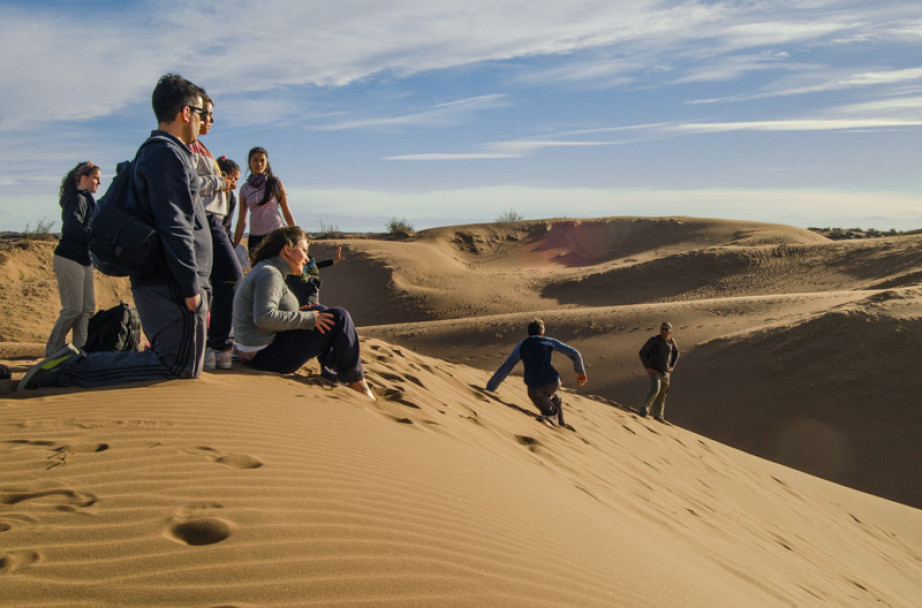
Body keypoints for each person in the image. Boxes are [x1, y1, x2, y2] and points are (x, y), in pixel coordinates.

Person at [19, 74, 212, 390]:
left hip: (170, 278)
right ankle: (67, 369)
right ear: (186, 112)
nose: (205, 121)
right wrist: (191, 286)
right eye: (202, 113)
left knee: (184, 366)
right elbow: (175, 224)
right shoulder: (165, 153)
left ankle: (69, 367)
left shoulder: (163, 153)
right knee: (177, 366)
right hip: (170, 280)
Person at [232, 226, 374, 400]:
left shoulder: (268, 269)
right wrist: (306, 319)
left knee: (322, 312)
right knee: (339, 317)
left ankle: (332, 371)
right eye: (304, 251)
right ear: (287, 250)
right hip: (264, 357)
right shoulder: (269, 274)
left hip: (260, 352)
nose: (307, 259)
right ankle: (355, 381)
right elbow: (263, 317)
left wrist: (301, 313)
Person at [188, 93, 242, 370]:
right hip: (204, 221)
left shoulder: (200, 146)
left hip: (215, 223)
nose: (210, 119)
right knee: (218, 281)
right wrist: (219, 182)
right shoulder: (184, 147)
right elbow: (188, 182)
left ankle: (217, 344)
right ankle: (212, 344)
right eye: (206, 113)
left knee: (224, 281)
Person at [486, 318, 587, 425]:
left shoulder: (522, 345)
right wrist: (581, 372)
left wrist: (491, 387)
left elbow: (507, 367)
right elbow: (575, 353)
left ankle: (551, 415)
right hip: (554, 382)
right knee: (552, 394)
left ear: (528, 333)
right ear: (542, 333)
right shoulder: (549, 341)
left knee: (534, 393)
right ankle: (561, 422)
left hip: (536, 385)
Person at [45, 161, 101, 356]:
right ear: (82, 178)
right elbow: (73, 227)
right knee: (73, 308)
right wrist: (94, 238)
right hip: (69, 257)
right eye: (95, 178)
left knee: (87, 309)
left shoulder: (85, 199)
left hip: (84, 259)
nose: (98, 183)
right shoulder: (77, 199)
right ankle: (53, 348)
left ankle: (80, 349)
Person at [232, 146, 294, 258]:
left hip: (275, 235)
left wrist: (296, 233)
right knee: (259, 272)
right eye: (255, 160)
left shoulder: (275, 183)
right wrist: (235, 244)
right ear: (249, 163)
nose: (259, 163)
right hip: (255, 237)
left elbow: (286, 211)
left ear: (266, 162)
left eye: (262, 160)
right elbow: (242, 219)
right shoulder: (245, 189)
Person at [638, 321, 679, 422]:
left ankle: (659, 416)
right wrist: (647, 367)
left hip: (665, 372)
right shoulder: (654, 340)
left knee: (662, 394)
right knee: (655, 389)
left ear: (670, 331)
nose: (663, 331)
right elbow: (642, 352)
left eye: (666, 329)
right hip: (655, 370)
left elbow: (676, 352)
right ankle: (644, 411)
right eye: (662, 328)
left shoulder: (671, 341)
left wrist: (672, 366)